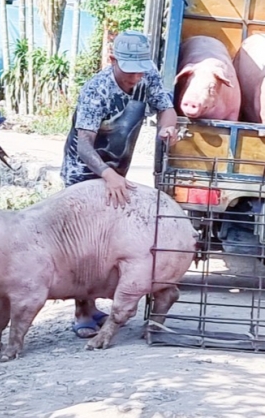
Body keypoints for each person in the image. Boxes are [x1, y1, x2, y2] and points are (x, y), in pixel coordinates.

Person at [60, 30, 179, 338]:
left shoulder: (146, 77)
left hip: (117, 168)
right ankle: (83, 311)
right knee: (83, 244)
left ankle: (104, 302)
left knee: (111, 242)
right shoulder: (96, 90)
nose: (135, 77)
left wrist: (168, 127)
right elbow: (84, 145)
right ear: (112, 60)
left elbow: (166, 107)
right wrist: (106, 174)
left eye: (140, 69)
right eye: (129, 70)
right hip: (84, 170)